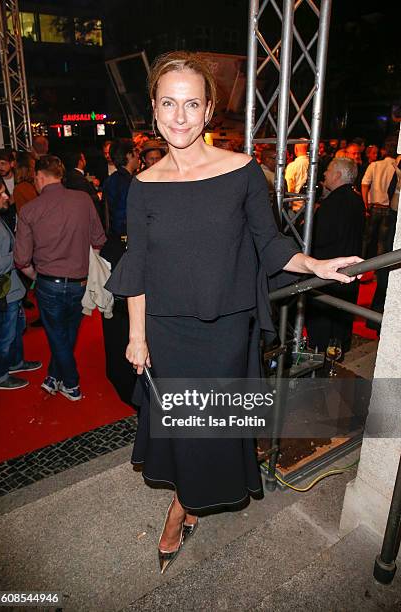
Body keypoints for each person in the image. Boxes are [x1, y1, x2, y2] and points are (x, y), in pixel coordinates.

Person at [105, 51, 362, 574]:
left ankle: (181, 510)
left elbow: (268, 242)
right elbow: (139, 267)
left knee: (209, 428)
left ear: (208, 112)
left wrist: (313, 263)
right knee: (181, 428)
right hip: (165, 332)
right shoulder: (143, 185)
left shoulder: (242, 170)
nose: (180, 116)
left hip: (224, 330)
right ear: (154, 110)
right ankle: (188, 502)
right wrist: (137, 335)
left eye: (191, 104)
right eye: (169, 104)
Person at [14, 156, 106, 401]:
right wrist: (83, 263)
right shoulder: (83, 200)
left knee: (57, 335)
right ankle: (53, 376)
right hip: (79, 283)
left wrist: (36, 277)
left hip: (48, 283)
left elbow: (21, 260)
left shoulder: (29, 210)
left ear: (41, 177)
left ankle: (72, 384)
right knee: (66, 334)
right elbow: (98, 240)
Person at [306, 158, 365, 354]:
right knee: (342, 314)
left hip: (328, 269)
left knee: (325, 314)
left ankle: (321, 352)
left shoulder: (332, 203)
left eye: (328, 170)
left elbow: (320, 237)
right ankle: (339, 348)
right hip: (349, 269)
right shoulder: (356, 199)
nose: (324, 174)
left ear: (338, 175)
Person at [0, 173, 41, 390]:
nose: (6, 196)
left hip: (11, 290)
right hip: (2, 294)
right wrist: (19, 255)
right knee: (3, 337)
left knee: (15, 329)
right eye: (0, 193)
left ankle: (15, 363)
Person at [361, 137, 398, 260]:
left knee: (366, 238)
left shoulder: (375, 165)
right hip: (388, 208)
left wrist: (365, 205)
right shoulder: (396, 167)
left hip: (374, 207)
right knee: (382, 241)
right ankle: (379, 270)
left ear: (384, 150)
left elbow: (364, 185)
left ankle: (359, 265)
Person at [103, 139, 139, 237]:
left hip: (116, 237)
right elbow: (124, 215)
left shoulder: (111, 180)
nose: (138, 155)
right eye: (136, 151)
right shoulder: (128, 183)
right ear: (128, 155)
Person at [64, 149, 103, 222]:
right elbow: (82, 197)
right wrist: (98, 196)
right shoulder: (77, 177)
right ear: (80, 162)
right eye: (84, 158)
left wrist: (92, 185)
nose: (85, 160)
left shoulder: (74, 176)